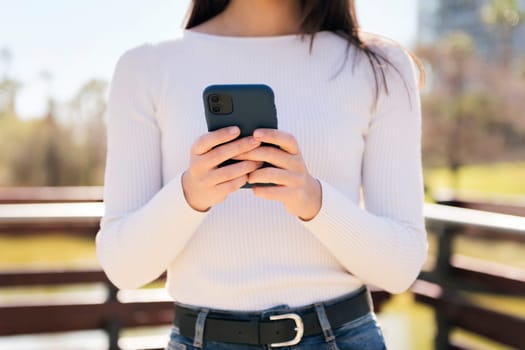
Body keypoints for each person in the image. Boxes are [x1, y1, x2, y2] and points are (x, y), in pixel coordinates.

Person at [95, 0, 428, 349]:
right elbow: (124, 268)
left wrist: (313, 201)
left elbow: (400, 267)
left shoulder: (380, 67)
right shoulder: (145, 68)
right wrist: (190, 195)